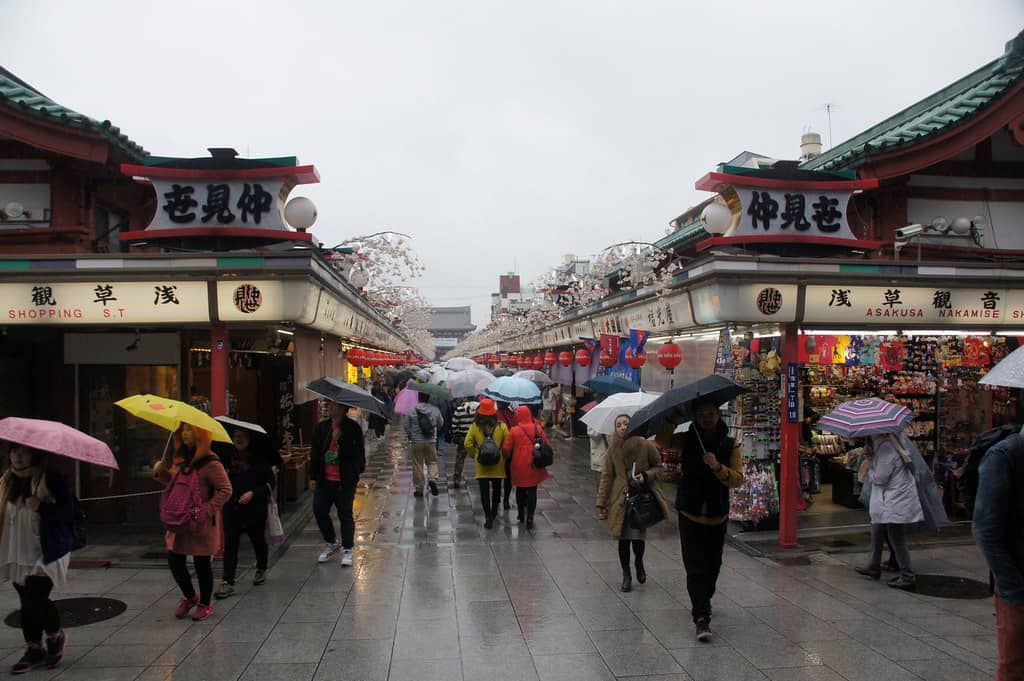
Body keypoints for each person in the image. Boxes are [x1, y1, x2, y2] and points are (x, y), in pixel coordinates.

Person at [674, 399, 743, 642]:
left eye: (710, 413)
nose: (706, 418)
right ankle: (701, 617)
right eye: (701, 414)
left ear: (718, 414)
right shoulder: (686, 439)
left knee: (713, 567)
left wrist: (717, 467)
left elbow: (737, 479)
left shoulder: (730, 444)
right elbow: (662, 439)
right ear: (695, 416)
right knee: (695, 568)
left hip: (717, 515)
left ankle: (705, 598)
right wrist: (675, 414)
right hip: (689, 513)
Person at [0, 443, 72, 673]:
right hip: (16, 549)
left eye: (24, 451)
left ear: (36, 453)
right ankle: (39, 645)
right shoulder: (7, 480)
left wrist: (42, 507)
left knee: (34, 598)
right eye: (14, 451)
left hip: (46, 551)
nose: (18, 456)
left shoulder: (51, 479)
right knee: (28, 600)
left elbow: (68, 512)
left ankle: (48, 640)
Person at [153, 424, 232, 622]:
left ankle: (205, 604)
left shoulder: (211, 463)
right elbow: (175, 485)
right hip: (180, 519)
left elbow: (225, 489)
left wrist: (207, 509)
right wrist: (161, 472)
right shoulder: (180, 459)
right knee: (174, 560)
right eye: (183, 430)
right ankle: (190, 596)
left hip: (201, 522)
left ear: (200, 435)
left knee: (202, 563)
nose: (185, 434)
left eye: (190, 430)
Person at [595, 415, 671, 593]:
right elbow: (607, 476)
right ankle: (626, 574)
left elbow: (658, 466)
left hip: (640, 498)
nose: (622, 427)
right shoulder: (613, 449)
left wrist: (645, 476)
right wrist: (601, 501)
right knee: (622, 539)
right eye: (618, 425)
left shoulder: (645, 445)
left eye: (626, 424)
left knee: (637, 538)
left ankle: (638, 562)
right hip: (620, 500)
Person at [973, 433, 1024, 681]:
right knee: (1015, 665)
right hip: (1018, 582)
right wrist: (1013, 587)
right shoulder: (1004, 456)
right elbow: (985, 529)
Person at [854, 434, 922, 590]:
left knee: (895, 536)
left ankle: (907, 575)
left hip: (894, 500)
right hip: (891, 499)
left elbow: (880, 478)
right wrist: (871, 456)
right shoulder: (891, 444)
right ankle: (874, 565)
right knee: (878, 529)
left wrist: (869, 468)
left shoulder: (887, 448)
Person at [214, 427, 276, 599]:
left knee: (258, 540)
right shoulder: (226, 459)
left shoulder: (259, 459)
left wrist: (254, 493)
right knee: (230, 544)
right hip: (232, 507)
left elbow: (270, 483)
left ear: (249, 439)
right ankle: (227, 581)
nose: (238, 440)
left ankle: (261, 568)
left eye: (242, 436)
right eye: (235, 436)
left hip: (254, 509)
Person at [310, 401, 365, 567]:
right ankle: (331, 541)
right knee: (319, 510)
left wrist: (342, 441)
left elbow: (358, 454)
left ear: (342, 408)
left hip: (344, 480)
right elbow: (316, 452)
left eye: (333, 405)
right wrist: (313, 477)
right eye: (328, 405)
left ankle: (347, 548)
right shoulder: (322, 428)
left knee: (345, 514)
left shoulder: (353, 428)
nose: (329, 408)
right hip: (324, 479)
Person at [463, 399, 510, 528]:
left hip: (481, 464)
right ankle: (494, 512)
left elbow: (467, 443)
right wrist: (504, 456)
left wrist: (475, 454)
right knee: (496, 490)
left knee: (484, 492)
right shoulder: (501, 426)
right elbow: (507, 444)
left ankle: (488, 517)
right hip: (498, 463)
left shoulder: (475, 426)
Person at [502, 404, 550, 530]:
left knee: (520, 489)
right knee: (532, 490)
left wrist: (506, 456)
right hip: (534, 463)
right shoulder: (537, 428)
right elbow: (546, 443)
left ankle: (521, 514)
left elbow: (506, 449)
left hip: (518, 464)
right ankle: (530, 517)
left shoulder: (514, 430)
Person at [405, 392, 443, 497]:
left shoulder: (412, 410)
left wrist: (411, 435)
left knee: (417, 464)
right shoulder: (435, 409)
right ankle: (432, 479)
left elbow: (406, 425)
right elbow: (441, 423)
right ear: (429, 398)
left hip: (416, 441)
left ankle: (419, 488)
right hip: (431, 440)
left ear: (419, 398)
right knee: (432, 462)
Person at [449, 398, 479, 489]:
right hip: (474, 437)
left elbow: (454, 424)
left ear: (465, 398)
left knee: (460, 458)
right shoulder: (478, 408)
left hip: (462, 437)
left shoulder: (460, 409)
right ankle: (480, 476)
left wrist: (456, 433)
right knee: (477, 457)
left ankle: (457, 479)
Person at [495, 402, 516, 510]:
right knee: (508, 476)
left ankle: (497, 497)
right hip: (510, 449)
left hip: (498, 449)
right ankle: (506, 500)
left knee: (498, 476)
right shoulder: (512, 414)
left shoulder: (494, 414)